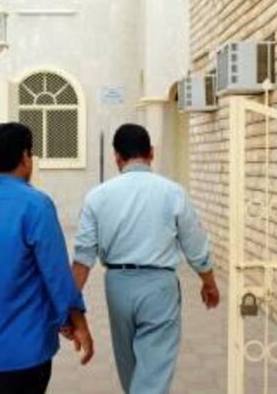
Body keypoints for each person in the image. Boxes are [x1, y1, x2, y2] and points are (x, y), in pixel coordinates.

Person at [0, 122, 94, 394]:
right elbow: (57, 274)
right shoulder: (36, 205)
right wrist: (78, 323)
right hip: (30, 342)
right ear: (25, 158)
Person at [72, 123, 219, 394]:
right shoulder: (173, 192)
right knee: (154, 371)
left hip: (117, 285)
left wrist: (70, 304)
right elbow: (195, 245)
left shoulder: (97, 197)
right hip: (159, 286)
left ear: (117, 157)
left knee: (129, 366)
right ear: (151, 153)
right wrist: (208, 281)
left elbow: (83, 257)